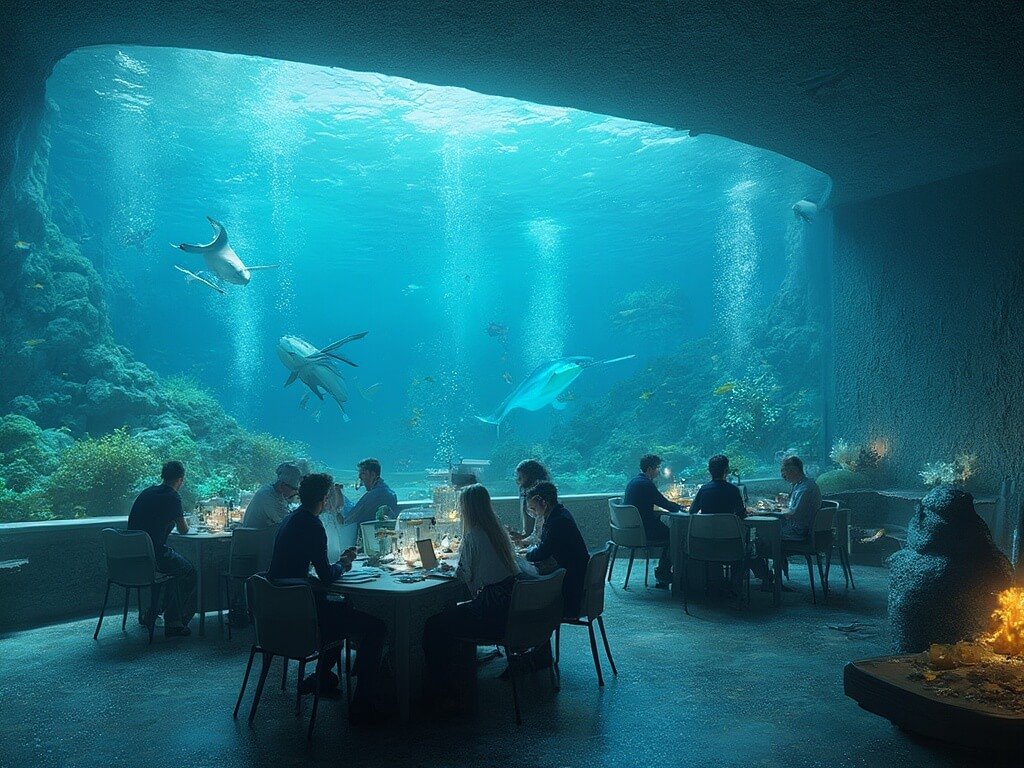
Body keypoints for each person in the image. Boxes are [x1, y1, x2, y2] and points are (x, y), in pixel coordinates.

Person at [267, 472, 387, 723]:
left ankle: (322, 676)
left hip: (281, 609)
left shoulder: (291, 519)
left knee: (340, 609)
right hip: (304, 612)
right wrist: (345, 562)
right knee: (376, 626)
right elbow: (327, 576)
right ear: (324, 497)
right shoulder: (312, 525)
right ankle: (365, 698)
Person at [422, 484, 520, 711]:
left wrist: (443, 570)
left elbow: (464, 576)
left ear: (467, 509)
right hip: (507, 608)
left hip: (490, 612)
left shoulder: (473, 535)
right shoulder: (497, 532)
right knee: (452, 615)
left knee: (434, 624)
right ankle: (459, 678)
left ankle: (441, 689)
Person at [127, 460, 196, 637]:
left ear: (162, 476)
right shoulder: (172, 497)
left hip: (132, 556)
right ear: (180, 480)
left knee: (173, 573)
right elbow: (183, 529)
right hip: (154, 556)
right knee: (188, 572)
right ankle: (174, 622)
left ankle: (152, 613)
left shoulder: (147, 492)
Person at [524, 481, 589, 620]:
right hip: (573, 574)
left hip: (570, 587)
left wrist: (524, 556)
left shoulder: (557, 522)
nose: (534, 514)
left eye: (534, 509)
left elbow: (543, 552)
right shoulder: (560, 513)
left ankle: (534, 631)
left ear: (543, 503)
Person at [623, 453, 681, 588]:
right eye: (657, 468)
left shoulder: (634, 481)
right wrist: (682, 507)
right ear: (650, 469)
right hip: (644, 530)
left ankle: (663, 572)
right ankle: (664, 573)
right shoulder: (646, 484)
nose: (658, 470)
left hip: (632, 529)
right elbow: (665, 504)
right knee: (675, 536)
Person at [241, 462, 301, 529]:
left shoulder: (274, 493)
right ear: (282, 486)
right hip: (256, 537)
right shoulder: (267, 496)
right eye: (294, 489)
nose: (295, 493)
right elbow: (287, 522)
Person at [339, 458, 398, 525]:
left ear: (373, 475)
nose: (359, 477)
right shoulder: (391, 493)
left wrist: (338, 495)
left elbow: (347, 520)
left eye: (363, 473)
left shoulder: (372, 496)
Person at [507, 459, 550, 548]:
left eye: (520, 478)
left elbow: (540, 540)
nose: (517, 481)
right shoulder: (529, 497)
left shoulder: (541, 504)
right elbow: (535, 534)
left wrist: (521, 541)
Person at [778, 455, 822, 540]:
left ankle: (774, 552)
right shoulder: (801, 485)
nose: (782, 475)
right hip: (801, 529)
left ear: (795, 470)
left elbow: (794, 514)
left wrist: (775, 510)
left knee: (768, 530)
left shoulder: (804, 489)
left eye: (784, 471)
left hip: (800, 532)